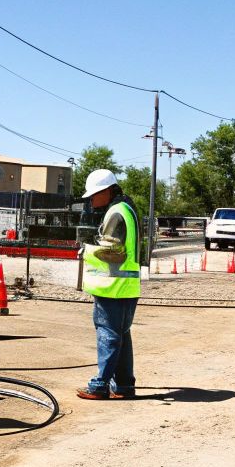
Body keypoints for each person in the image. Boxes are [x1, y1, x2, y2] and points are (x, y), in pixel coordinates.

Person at [77, 169, 140, 399]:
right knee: (121, 334)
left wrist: (87, 251)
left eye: (94, 195)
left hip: (113, 287)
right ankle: (123, 385)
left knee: (108, 333)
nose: (91, 200)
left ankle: (100, 385)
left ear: (106, 191)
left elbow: (113, 253)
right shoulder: (127, 209)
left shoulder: (116, 213)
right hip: (127, 286)